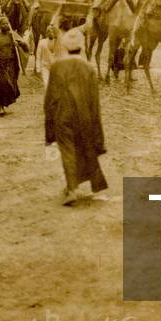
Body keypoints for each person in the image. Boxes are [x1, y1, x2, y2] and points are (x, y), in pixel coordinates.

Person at [44, 28, 108, 206]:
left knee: (68, 151)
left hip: (63, 115)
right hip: (84, 116)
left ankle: (72, 189)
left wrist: (49, 125)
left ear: (65, 47)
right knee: (83, 148)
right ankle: (76, 185)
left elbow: (50, 98)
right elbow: (94, 102)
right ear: (82, 47)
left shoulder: (57, 67)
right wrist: (96, 127)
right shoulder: (89, 68)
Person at [0, 16, 26, 115]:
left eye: (7, 23)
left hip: (10, 65)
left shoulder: (12, 36)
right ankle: (0, 106)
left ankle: (4, 103)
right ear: (0, 25)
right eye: (3, 24)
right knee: (0, 85)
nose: (6, 25)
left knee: (9, 86)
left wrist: (18, 44)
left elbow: (24, 44)